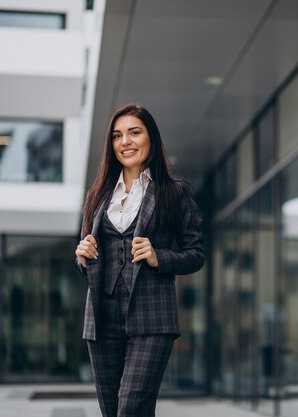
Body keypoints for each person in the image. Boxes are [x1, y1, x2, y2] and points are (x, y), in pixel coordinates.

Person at [74, 103, 205, 417]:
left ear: (151, 139)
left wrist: (159, 257)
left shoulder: (174, 192)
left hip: (151, 318)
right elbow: (87, 258)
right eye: (118, 136)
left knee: (130, 409)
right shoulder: (97, 195)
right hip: (102, 318)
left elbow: (196, 254)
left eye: (134, 132)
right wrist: (82, 255)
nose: (125, 142)